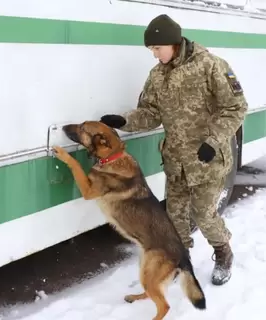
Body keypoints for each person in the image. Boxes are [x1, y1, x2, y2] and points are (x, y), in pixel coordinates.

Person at [99, 14, 248, 286]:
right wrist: (125, 122)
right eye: (151, 50)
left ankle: (223, 252)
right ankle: (180, 263)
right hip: (176, 163)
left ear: (173, 42)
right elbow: (150, 113)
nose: (154, 55)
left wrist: (213, 142)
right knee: (174, 220)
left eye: (157, 48)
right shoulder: (157, 75)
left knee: (204, 215)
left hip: (208, 160)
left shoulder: (210, 66)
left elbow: (236, 108)